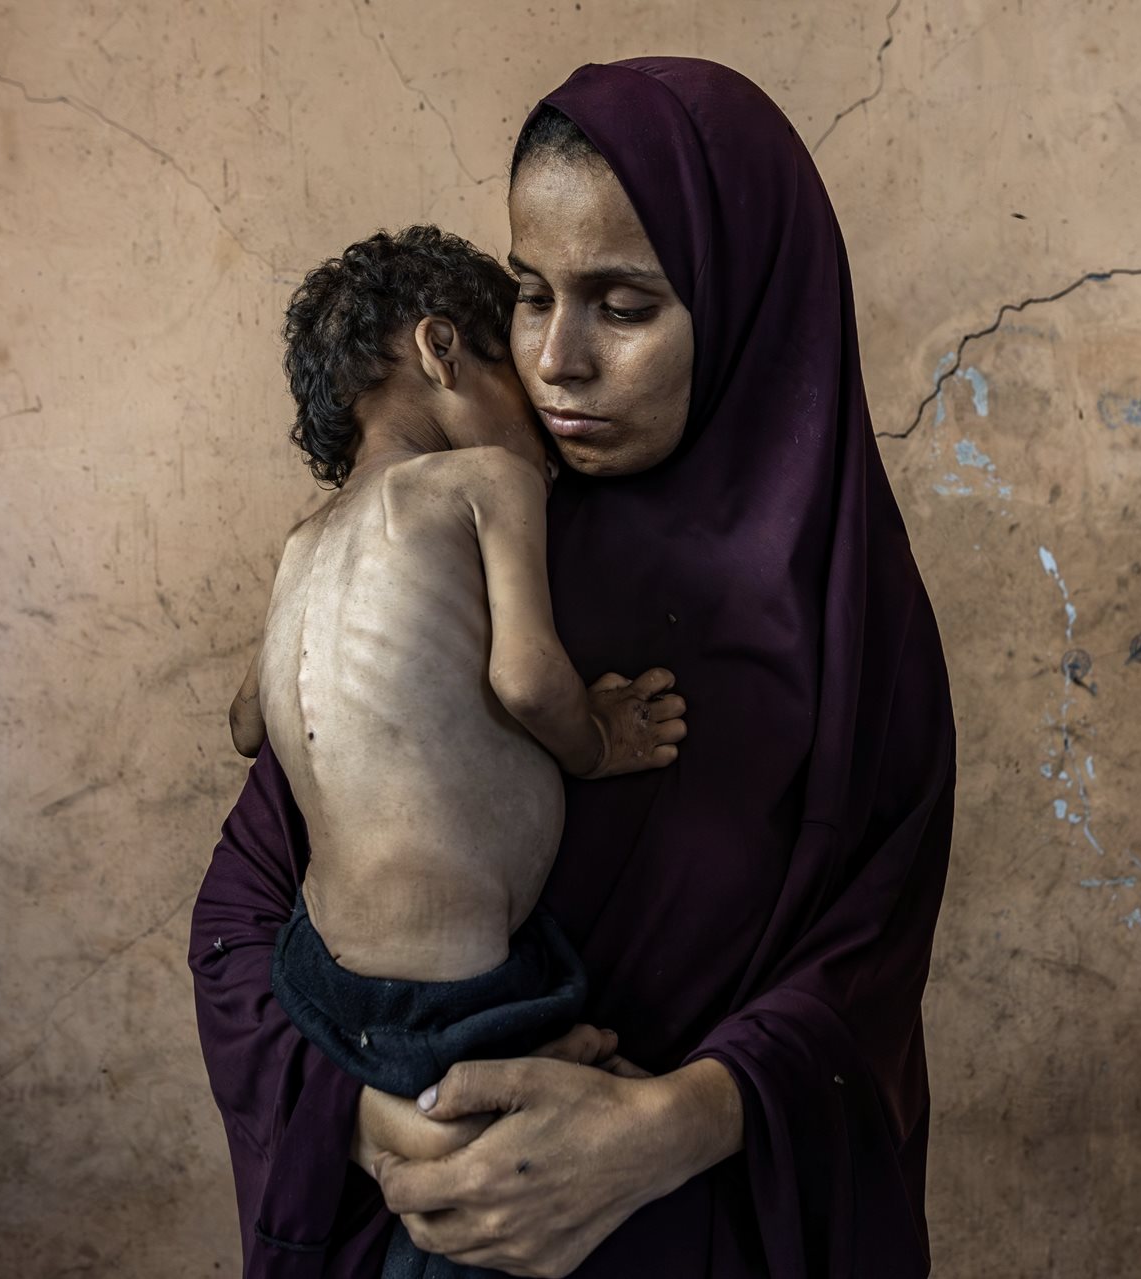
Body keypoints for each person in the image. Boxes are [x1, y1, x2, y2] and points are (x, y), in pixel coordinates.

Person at [191, 57, 956, 1279]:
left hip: (699, 1240)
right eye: (529, 296)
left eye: (626, 304)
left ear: (752, 304)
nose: (556, 359)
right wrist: (375, 1118)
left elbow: (862, 976)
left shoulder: (852, 622)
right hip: (433, 1213)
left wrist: (669, 1125)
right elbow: (246, 918)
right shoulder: (466, 552)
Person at [234, 223, 686, 1277]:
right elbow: (528, 678)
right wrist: (600, 743)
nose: (544, 410)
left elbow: (249, 722)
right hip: (458, 980)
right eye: (514, 375)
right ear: (443, 352)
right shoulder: (484, 480)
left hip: (322, 970)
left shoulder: (304, 544)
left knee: (429, 1196)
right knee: (504, 1205)